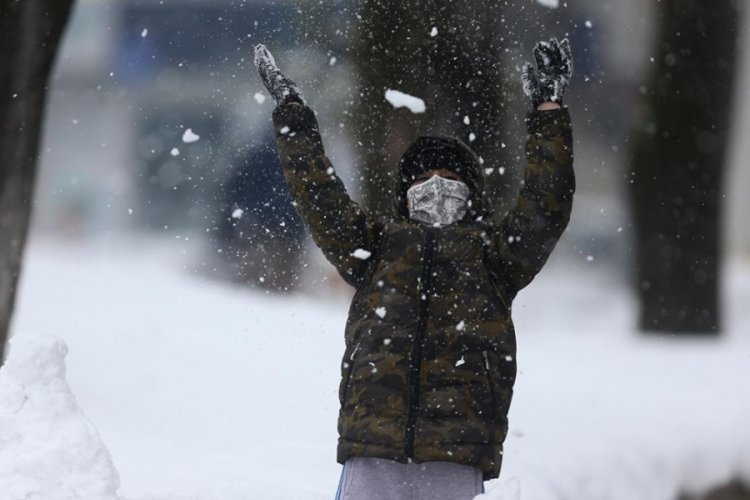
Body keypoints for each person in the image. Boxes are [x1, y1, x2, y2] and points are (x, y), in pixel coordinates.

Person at [254, 38, 574, 500]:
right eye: (422, 179)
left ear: (472, 193)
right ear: (404, 195)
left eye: (450, 178)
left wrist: (547, 110)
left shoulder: (495, 257)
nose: (436, 187)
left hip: (456, 452)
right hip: (373, 449)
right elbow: (321, 198)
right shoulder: (375, 246)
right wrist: (293, 118)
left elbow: (547, 204)